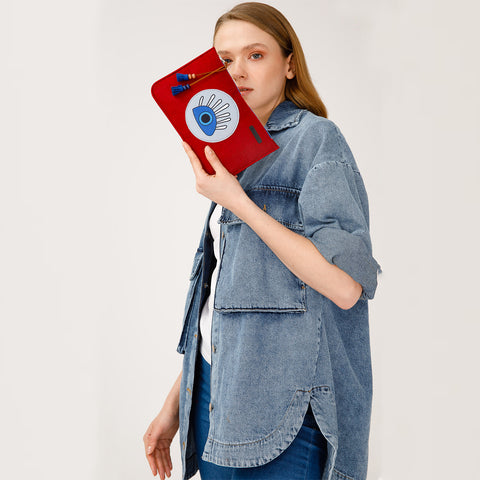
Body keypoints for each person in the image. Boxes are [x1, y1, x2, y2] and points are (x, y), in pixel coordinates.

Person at [143, 2, 381, 480]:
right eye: (225, 60)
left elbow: (346, 287)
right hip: (212, 394)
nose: (238, 72)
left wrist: (238, 201)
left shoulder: (316, 140)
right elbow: (230, 303)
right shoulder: (231, 153)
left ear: (289, 64)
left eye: (255, 55)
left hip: (284, 408)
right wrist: (177, 401)